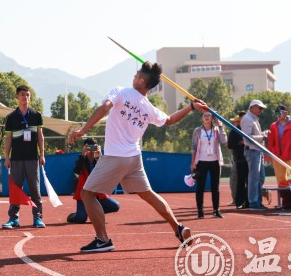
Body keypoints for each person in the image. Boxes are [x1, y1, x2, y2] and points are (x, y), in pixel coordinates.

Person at [69, 61, 209, 253]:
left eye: (136, 75)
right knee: (148, 194)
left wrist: (83, 130)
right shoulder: (148, 107)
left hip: (115, 156)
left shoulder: (120, 91)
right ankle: (178, 228)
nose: (134, 77)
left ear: (142, 81)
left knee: (87, 194)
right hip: (134, 158)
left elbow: (104, 108)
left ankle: (103, 240)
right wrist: (191, 107)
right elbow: (169, 120)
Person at [2, 85, 46, 229]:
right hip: (16, 159)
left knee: (35, 189)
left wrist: (42, 154)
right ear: (17, 97)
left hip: (33, 159)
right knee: (15, 190)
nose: (25, 97)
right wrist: (7, 157)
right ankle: (13, 219)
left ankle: (37, 218)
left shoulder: (36, 115)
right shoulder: (11, 117)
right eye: (22, 95)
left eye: (27, 95)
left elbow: (40, 136)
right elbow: (8, 138)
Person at [68, 138, 120, 224]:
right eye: (89, 147)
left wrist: (100, 156)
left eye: (93, 147)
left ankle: (93, 211)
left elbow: (106, 172)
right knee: (81, 219)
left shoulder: (99, 159)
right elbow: (77, 171)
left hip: (98, 194)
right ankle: (75, 215)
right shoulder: (81, 159)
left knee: (115, 206)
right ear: (85, 148)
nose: (91, 150)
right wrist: (83, 155)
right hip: (84, 194)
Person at [190, 111, 227, 219]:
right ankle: (200, 211)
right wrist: (193, 163)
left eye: (208, 115)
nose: (206, 117)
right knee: (200, 187)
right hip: (201, 161)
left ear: (212, 118)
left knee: (215, 187)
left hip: (215, 161)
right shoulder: (197, 131)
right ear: (202, 118)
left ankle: (216, 210)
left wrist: (221, 127)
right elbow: (194, 147)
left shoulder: (216, 129)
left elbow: (224, 140)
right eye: (204, 115)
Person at [267, 104, 291, 190]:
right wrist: (273, 153)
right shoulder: (273, 126)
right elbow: (271, 141)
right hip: (277, 157)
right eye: (276, 113)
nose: (278, 114)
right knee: (281, 181)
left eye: (280, 112)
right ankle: (284, 198)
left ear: (286, 113)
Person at [241, 99, 268, 210]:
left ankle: (257, 201)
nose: (261, 110)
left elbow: (251, 136)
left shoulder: (253, 118)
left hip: (256, 150)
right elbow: (247, 138)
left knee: (260, 177)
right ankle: (254, 203)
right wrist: (262, 137)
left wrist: (263, 134)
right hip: (252, 151)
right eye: (260, 108)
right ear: (253, 107)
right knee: (254, 178)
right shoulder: (248, 119)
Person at [227, 112, 248, 209]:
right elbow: (230, 145)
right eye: (241, 118)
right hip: (240, 159)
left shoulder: (249, 128)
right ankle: (239, 201)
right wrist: (240, 143)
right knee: (240, 181)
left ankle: (249, 201)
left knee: (250, 181)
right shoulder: (234, 131)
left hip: (250, 159)